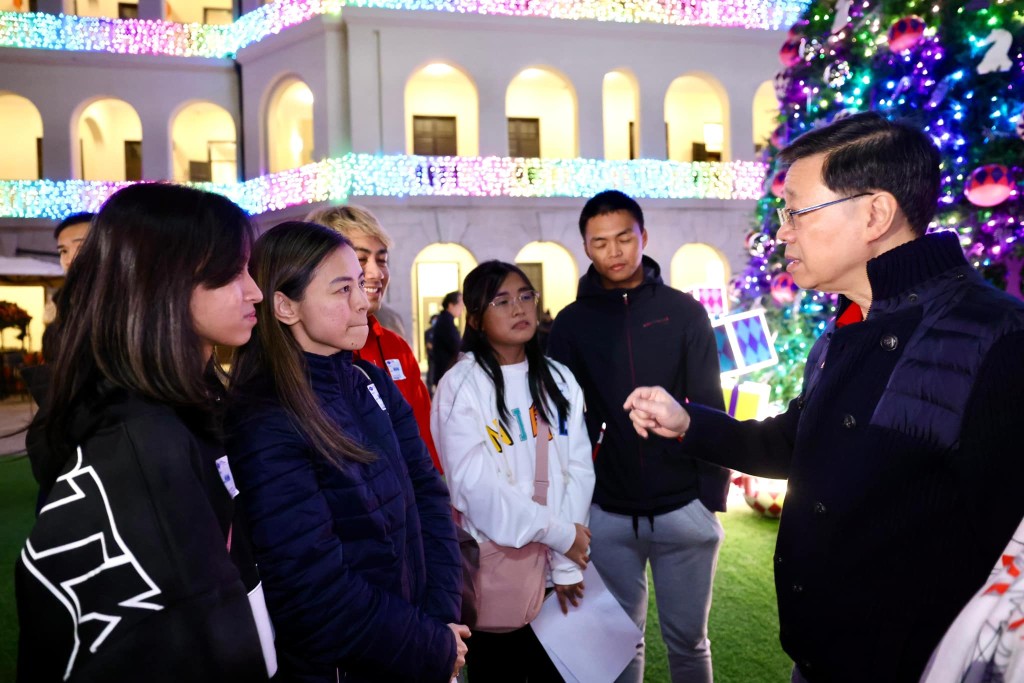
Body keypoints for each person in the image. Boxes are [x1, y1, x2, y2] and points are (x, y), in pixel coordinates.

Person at [622, 112, 1024, 682]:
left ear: (875, 214)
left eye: (796, 210)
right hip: (817, 659)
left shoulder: (996, 339)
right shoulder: (849, 323)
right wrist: (689, 422)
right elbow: (796, 443)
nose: (782, 230)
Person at [16, 183, 272, 682]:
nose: (255, 290)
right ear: (165, 283)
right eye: (232, 272)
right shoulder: (141, 442)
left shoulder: (183, 406)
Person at [225, 221, 467, 682]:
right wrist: (428, 642)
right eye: (341, 289)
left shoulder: (370, 383)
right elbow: (313, 591)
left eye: (360, 282)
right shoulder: (264, 417)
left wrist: (439, 625)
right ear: (285, 305)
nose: (362, 300)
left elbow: (430, 498)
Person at [546, 189, 728, 683]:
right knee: (620, 645)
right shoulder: (571, 324)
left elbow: (709, 404)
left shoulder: (684, 311)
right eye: (600, 242)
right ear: (586, 247)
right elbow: (565, 423)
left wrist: (708, 498)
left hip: (683, 508)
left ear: (643, 236)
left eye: (624, 237)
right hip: (607, 512)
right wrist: (573, 509)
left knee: (689, 644)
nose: (614, 252)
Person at [431, 260, 595, 682]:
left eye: (525, 296)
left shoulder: (559, 378)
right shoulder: (461, 386)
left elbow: (578, 469)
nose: (519, 308)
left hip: (560, 571)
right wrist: (561, 535)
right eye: (501, 301)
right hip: (499, 577)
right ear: (475, 319)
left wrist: (566, 562)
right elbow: (474, 490)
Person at [306, 205, 441, 471]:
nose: (376, 273)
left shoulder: (396, 347)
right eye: (360, 259)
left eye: (382, 260)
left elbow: (423, 444)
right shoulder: (303, 353)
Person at [433, 290, 464, 383]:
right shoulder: (445, 322)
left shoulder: (446, 320)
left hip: (445, 372)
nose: (462, 308)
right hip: (446, 372)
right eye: (460, 305)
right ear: (451, 305)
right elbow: (456, 346)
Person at [425, 313, 439, 395]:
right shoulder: (428, 332)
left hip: (439, 358)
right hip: (432, 357)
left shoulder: (441, 332)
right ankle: (430, 393)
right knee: (430, 375)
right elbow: (428, 344)